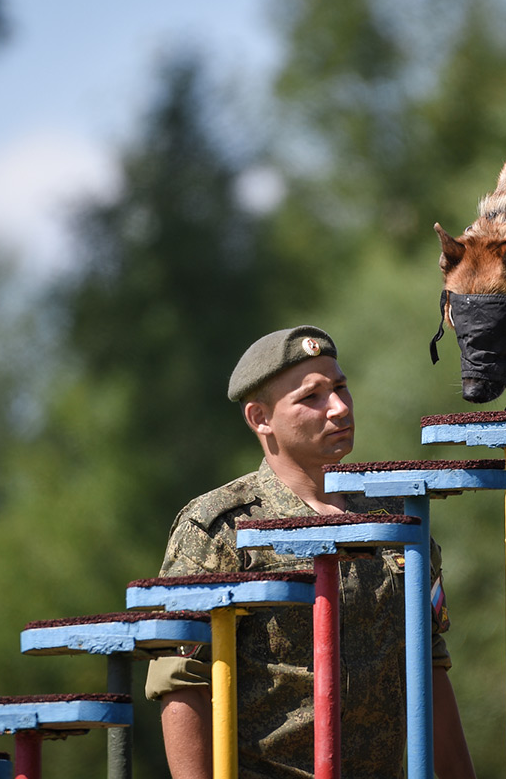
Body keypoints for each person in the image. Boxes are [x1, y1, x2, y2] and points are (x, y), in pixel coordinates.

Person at [145, 325, 477, 779]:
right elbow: (181, 683)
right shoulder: (223, 527)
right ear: (260, 418)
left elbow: (430, 668)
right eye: (312, 397)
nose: (339, 408)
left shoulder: (398, 520)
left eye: (340, 388)